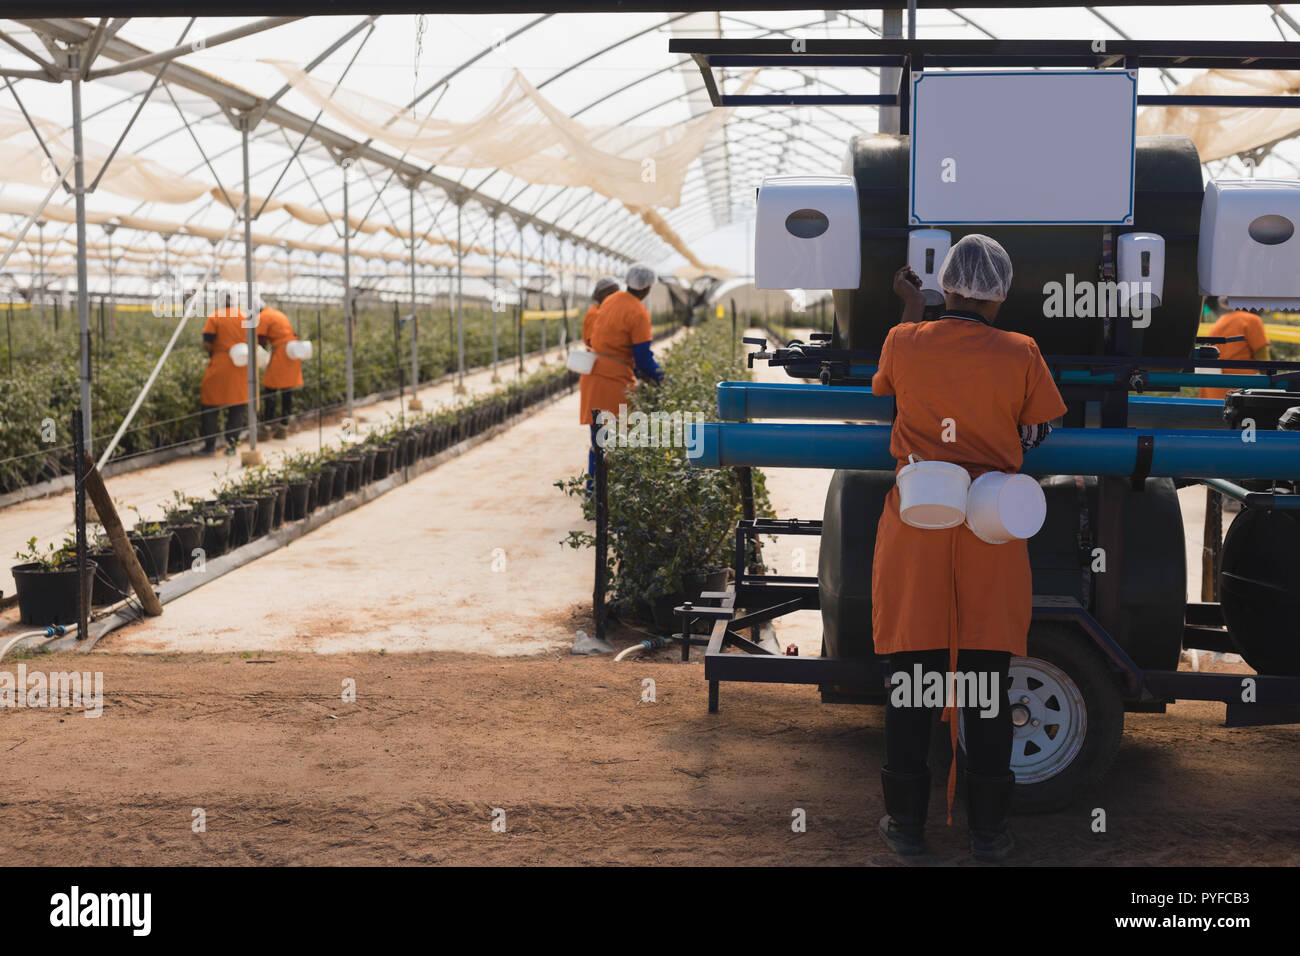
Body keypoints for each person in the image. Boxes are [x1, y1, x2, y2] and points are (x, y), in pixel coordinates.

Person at [871, 235, 1068, 862]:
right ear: (1001, 293)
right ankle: (989, 834)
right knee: (985, 684)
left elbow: (887, 390)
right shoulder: (1021, 351)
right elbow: (1038, 428)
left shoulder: (905, 339)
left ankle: (905, 828)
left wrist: (912, 306)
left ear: (946, 285)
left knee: (912, 682)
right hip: (991, 535)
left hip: (917, 535)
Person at [579, 264, 663, 476]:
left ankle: (594, 497)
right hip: (613, 383)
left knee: (599, 441)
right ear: (646, 288)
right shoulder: (638, 312)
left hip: (593, 377)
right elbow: (643, 357)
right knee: (613, 443)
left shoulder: (610, 301)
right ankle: (600, 497)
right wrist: (661, 377)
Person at [578, 277, 622, 476]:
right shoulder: (596, 314)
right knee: (601, 437)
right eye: (613, 293)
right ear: (602, 294)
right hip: (600, 379)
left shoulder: (600, 312)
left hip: (604, 380)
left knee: (605, 437)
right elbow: (595, 342)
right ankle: (594, 489)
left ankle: (597, 487)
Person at [200, 291, 250, 455]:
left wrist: (213, 352)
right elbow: (254, 340)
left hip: (220, 364)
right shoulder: (244, 317)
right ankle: (232, 446)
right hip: (241, 365)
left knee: (210, 404)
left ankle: (210, 446)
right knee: (237, 406)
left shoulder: (216, 317)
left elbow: (207, 342)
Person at [1198, 297, 1271, 401]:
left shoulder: (1220, 321)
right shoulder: (1252, 320)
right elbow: (1264, 362)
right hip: (1239, 390)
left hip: (1213, 389)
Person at [256, 297, 304, 440]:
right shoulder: (277, 313)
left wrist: (259, 353)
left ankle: (266, 427)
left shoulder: (263, 316)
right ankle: (284, 426)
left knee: (270, 388)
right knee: (287, 390)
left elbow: (260, 339)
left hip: (282, 353)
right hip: (292, 351)